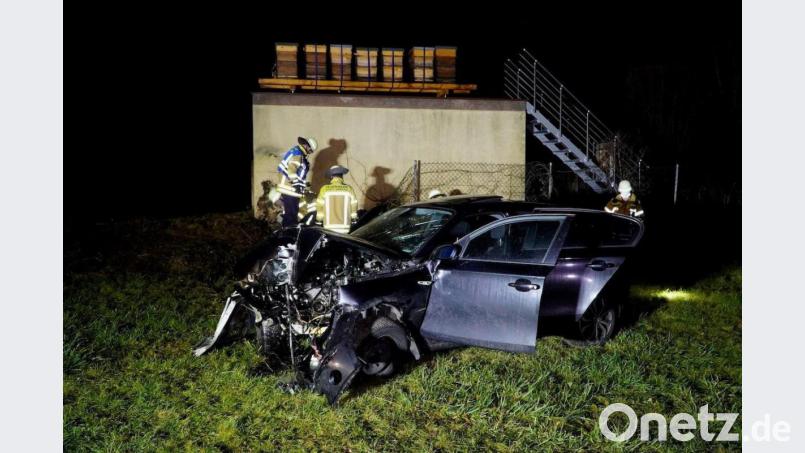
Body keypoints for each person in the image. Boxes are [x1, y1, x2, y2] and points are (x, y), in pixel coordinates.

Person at [277, 137, 317, 227]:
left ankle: (286, 231)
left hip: (289, 188)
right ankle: (289, 235)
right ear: (306, 146)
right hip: (290, 189)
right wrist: (297, 184)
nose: (309, 153)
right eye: (310, 150)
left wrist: (302, 184)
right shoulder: (298, 154)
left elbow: (296, 172)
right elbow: (292, 169)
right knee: (291, 216)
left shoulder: (296, 152)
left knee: (290, 214)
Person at [316, 165, 358, 233]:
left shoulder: (324, 189)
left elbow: (319, 206)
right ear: (341, 176)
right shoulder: (348, 189)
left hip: (328, 227)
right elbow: (354, 205)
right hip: (344, 227)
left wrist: (319, 220)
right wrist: (354, 218)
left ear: (331, 176)